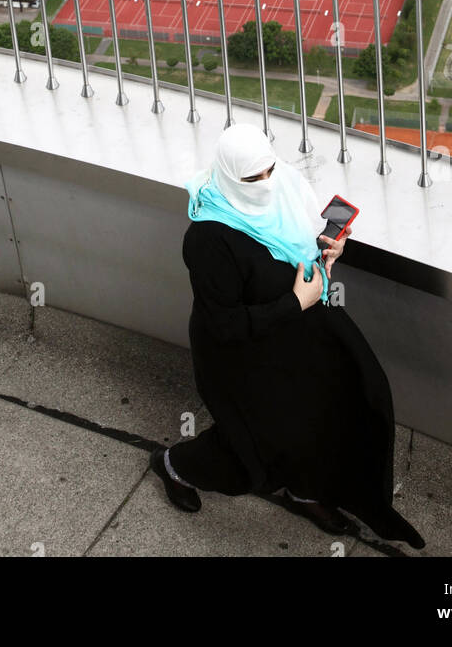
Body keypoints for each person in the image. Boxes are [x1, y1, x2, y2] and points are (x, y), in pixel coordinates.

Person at [149, 122, 425, 549]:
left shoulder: (285, 182)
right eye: (251, 178)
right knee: (251, 453)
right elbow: (224, 325)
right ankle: (174, 465)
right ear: (227, 176)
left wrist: (326, 250)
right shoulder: (208, 238)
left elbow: (293, 247)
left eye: (268, 170)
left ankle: (305, 491)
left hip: (300, 329)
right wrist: (296, 302)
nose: (265, 184)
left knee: (339, 406)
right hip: (244, 353)